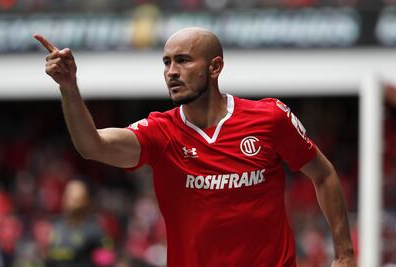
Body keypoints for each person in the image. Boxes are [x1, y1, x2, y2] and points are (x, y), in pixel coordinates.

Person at [34, 27, 357, 267]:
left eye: (183, 61)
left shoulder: (269, 117)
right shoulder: (161, 132)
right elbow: (93, 146)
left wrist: (344, 255)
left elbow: (324, 175)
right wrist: (69, 88)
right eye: (167, 62)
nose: (172, 72)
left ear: (214, 67)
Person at [45, 180, 115, 267]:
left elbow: (108, 259)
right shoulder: (55, 226)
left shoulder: (94, 230)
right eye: (69, 197)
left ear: (86, 201)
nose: (72, 203)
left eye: (76, 199)